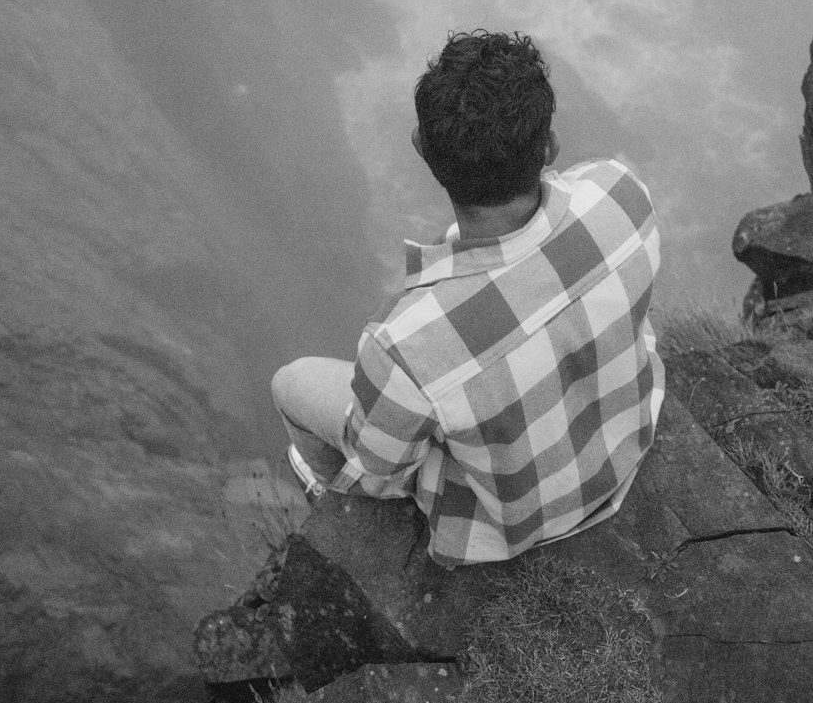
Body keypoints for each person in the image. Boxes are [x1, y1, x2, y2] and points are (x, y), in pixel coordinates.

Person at [271, 29, 664, 567]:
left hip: (512, 528)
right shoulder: (622, 194)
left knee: (291, 381)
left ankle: (330, 498)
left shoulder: (404, 345)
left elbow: (382, 472)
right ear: (549, 147)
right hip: (627, 452)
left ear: (422, 150)